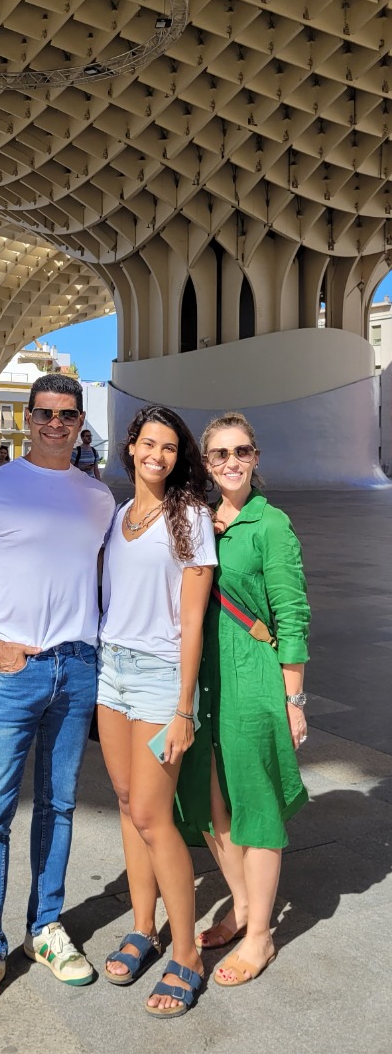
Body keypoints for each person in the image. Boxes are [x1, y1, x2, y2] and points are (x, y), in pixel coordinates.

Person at [0, 374, 115, 1023]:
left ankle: (47, 927)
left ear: (80, 421)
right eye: (44, 414)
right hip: (12, 672)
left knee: (59, 805)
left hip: (77, 667)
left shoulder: (97, 497)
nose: (55, 424)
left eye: (66, 414)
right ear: (28, 419)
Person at [176, 411, 310, 988]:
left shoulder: (271, 525)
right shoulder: (200, 521)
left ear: (256, 457)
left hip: (253, 674)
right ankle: (241, 903)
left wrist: (294, 697)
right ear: (206, 464)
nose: (232, 462)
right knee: (205, 798)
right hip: (203, 677)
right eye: (220, 454)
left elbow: (292, 614)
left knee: (254, 804)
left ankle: (260, 937)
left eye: (242, 452)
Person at [98, 405, 217, 1018]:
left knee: (152, 814)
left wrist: (183, 707)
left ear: (179, 456)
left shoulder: (190, 516)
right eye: (150, 443)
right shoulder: (121, 515)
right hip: (111, 671)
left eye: (170, 448)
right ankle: (144, 927)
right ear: (131, 446)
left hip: (157, 677)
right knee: (124, 802)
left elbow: (193, 619)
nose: (158, 456)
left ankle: (187, 954)